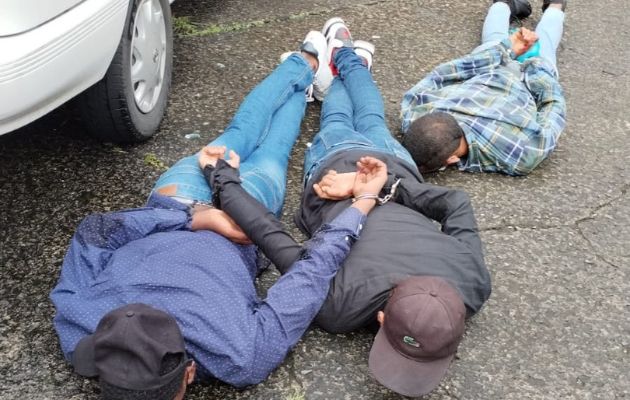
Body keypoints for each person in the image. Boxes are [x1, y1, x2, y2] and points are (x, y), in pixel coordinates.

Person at [49, 30, 387, 399]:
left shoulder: (238, 356)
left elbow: (93, 232)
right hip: (217, 211)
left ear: (189, 373)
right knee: (257, 138)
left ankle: (306, 64)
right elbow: (96, 234)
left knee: (266, 144)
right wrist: (192, 217)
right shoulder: (78, 325)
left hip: (207, 211)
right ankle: (304, 65)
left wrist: (197, 218)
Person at [212, 18, 491, 398]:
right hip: (339, 174)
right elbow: (269, 234)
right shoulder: (339, 308)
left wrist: (385, 188)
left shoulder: (474, 283)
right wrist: (223, 178)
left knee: (368, 116)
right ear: (379, 318)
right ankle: (339, 60)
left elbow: (455, 203)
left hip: (393, 168)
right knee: (337, 116)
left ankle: (348, 57)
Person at [401, 0, 568, 175]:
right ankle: (532, 6)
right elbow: (444, 73)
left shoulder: (518, 155)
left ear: (451, 160)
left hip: (514, 78)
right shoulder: (413, 113)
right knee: (499, 39)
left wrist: (507, 49)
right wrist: (527, 63)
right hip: (513, 74)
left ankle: (551, 8)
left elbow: (553, 109)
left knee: (543, 44)